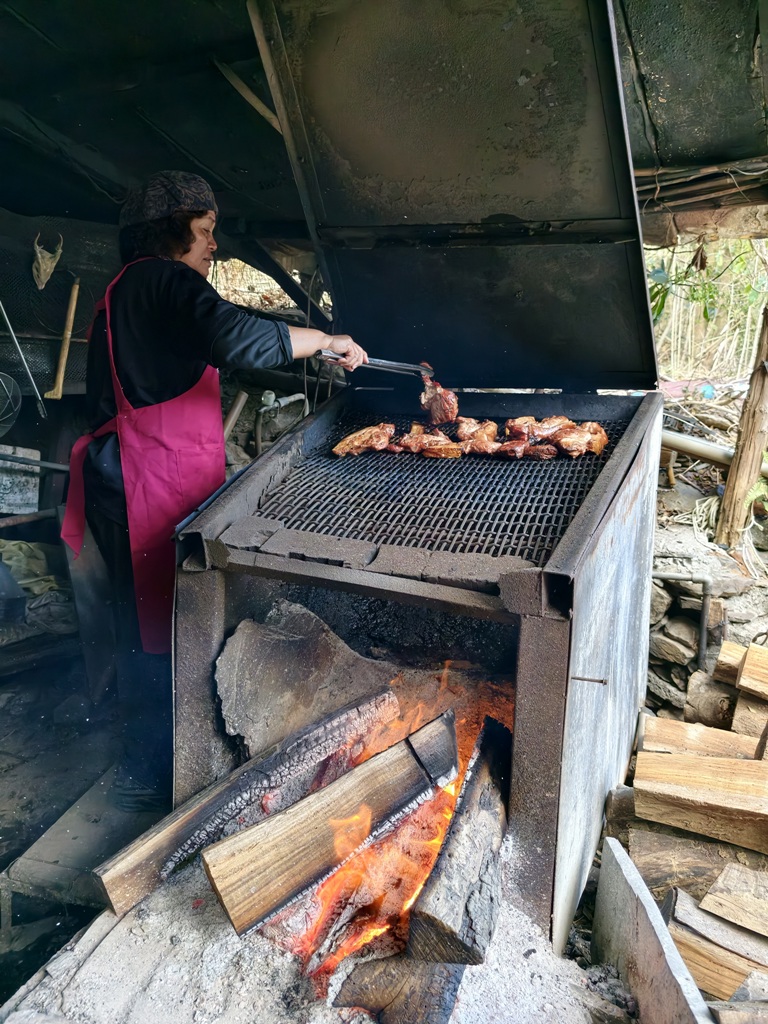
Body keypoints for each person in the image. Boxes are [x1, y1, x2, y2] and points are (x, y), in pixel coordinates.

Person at [61, 171, 367, 811]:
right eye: (204, 231)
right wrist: (325, 340)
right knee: (166, 626)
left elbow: (225, 332)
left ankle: (146, 762)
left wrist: (299, 344)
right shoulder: (164, 280)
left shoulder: (125, 288)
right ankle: (156, 771)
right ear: (169, 233)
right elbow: (233, 336)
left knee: (143, 622)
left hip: (127, 477)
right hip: (150, 480)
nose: (213, 244)